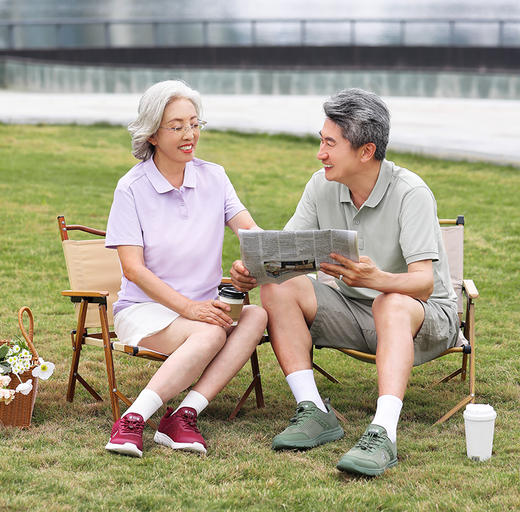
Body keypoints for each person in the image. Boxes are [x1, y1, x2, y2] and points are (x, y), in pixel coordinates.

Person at [231, 88, 459, 476]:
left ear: (365, 152)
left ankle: (384, 433)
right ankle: (314, 411)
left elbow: (423, 284)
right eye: (322, 140)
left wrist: (378, 279)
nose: (320, 153)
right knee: (276, 286)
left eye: (329, 143)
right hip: (355, 310)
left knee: (389, 301)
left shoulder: (411, 193)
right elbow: (285, 255)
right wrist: (256, 269)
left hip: (425, 318)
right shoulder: (322, 185)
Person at [104, 80, 267, 458]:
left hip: (204, 308)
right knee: (211, 333)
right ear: (152, 135)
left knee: (257, 314)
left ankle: (184, 414)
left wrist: (255, 261)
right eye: (176, 126)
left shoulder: (215, 176)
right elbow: (133, 269)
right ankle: (132, 420)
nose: (189, 134)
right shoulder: (131, 188)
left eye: (194, 124)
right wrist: (188, 309)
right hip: (146, 311)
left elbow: (250, 231)